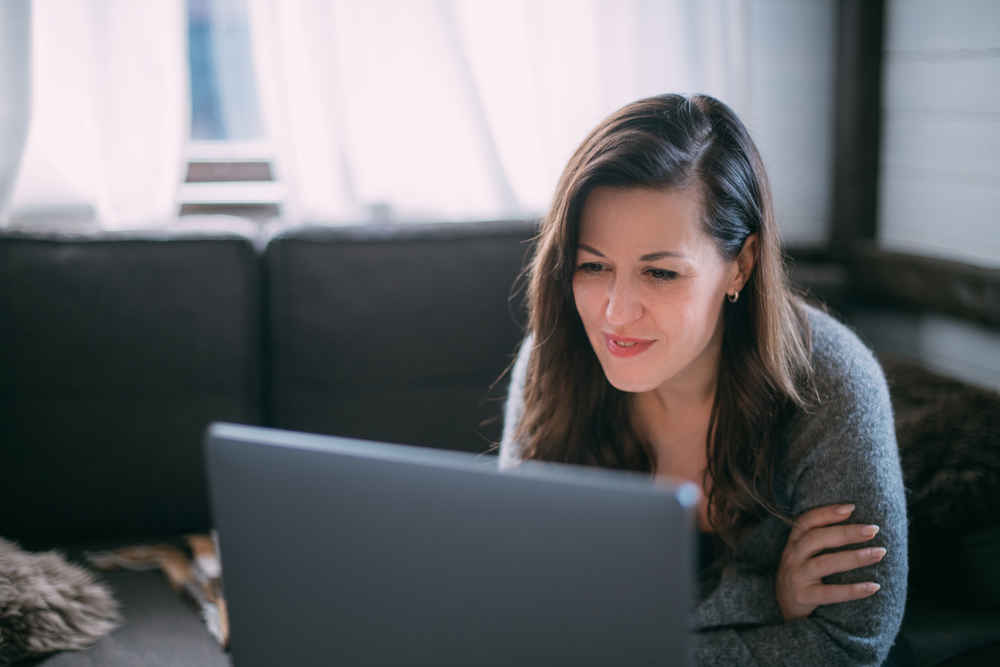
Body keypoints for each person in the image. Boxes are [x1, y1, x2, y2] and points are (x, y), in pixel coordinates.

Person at [498, 94, 907, 665]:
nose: (615, 313)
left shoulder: (834, 384)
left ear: (741, 264)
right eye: (593, 266)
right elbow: (522, 611)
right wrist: (766, 604)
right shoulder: (552, 357)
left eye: (660, 273)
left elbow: (849, 646)